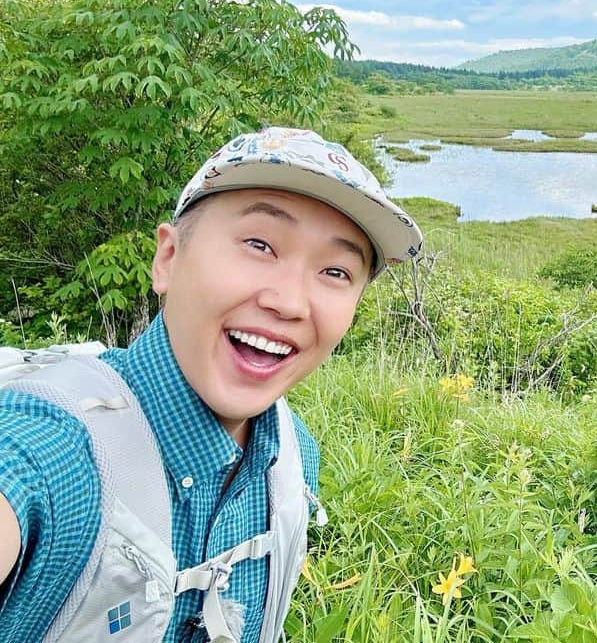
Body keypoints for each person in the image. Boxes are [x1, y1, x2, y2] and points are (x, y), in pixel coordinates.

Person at [0, 127, 422, 642]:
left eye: (335, 272)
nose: (290, 302)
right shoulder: (54, 452)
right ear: (168, 259)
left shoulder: (289, 458)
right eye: (259, 244)